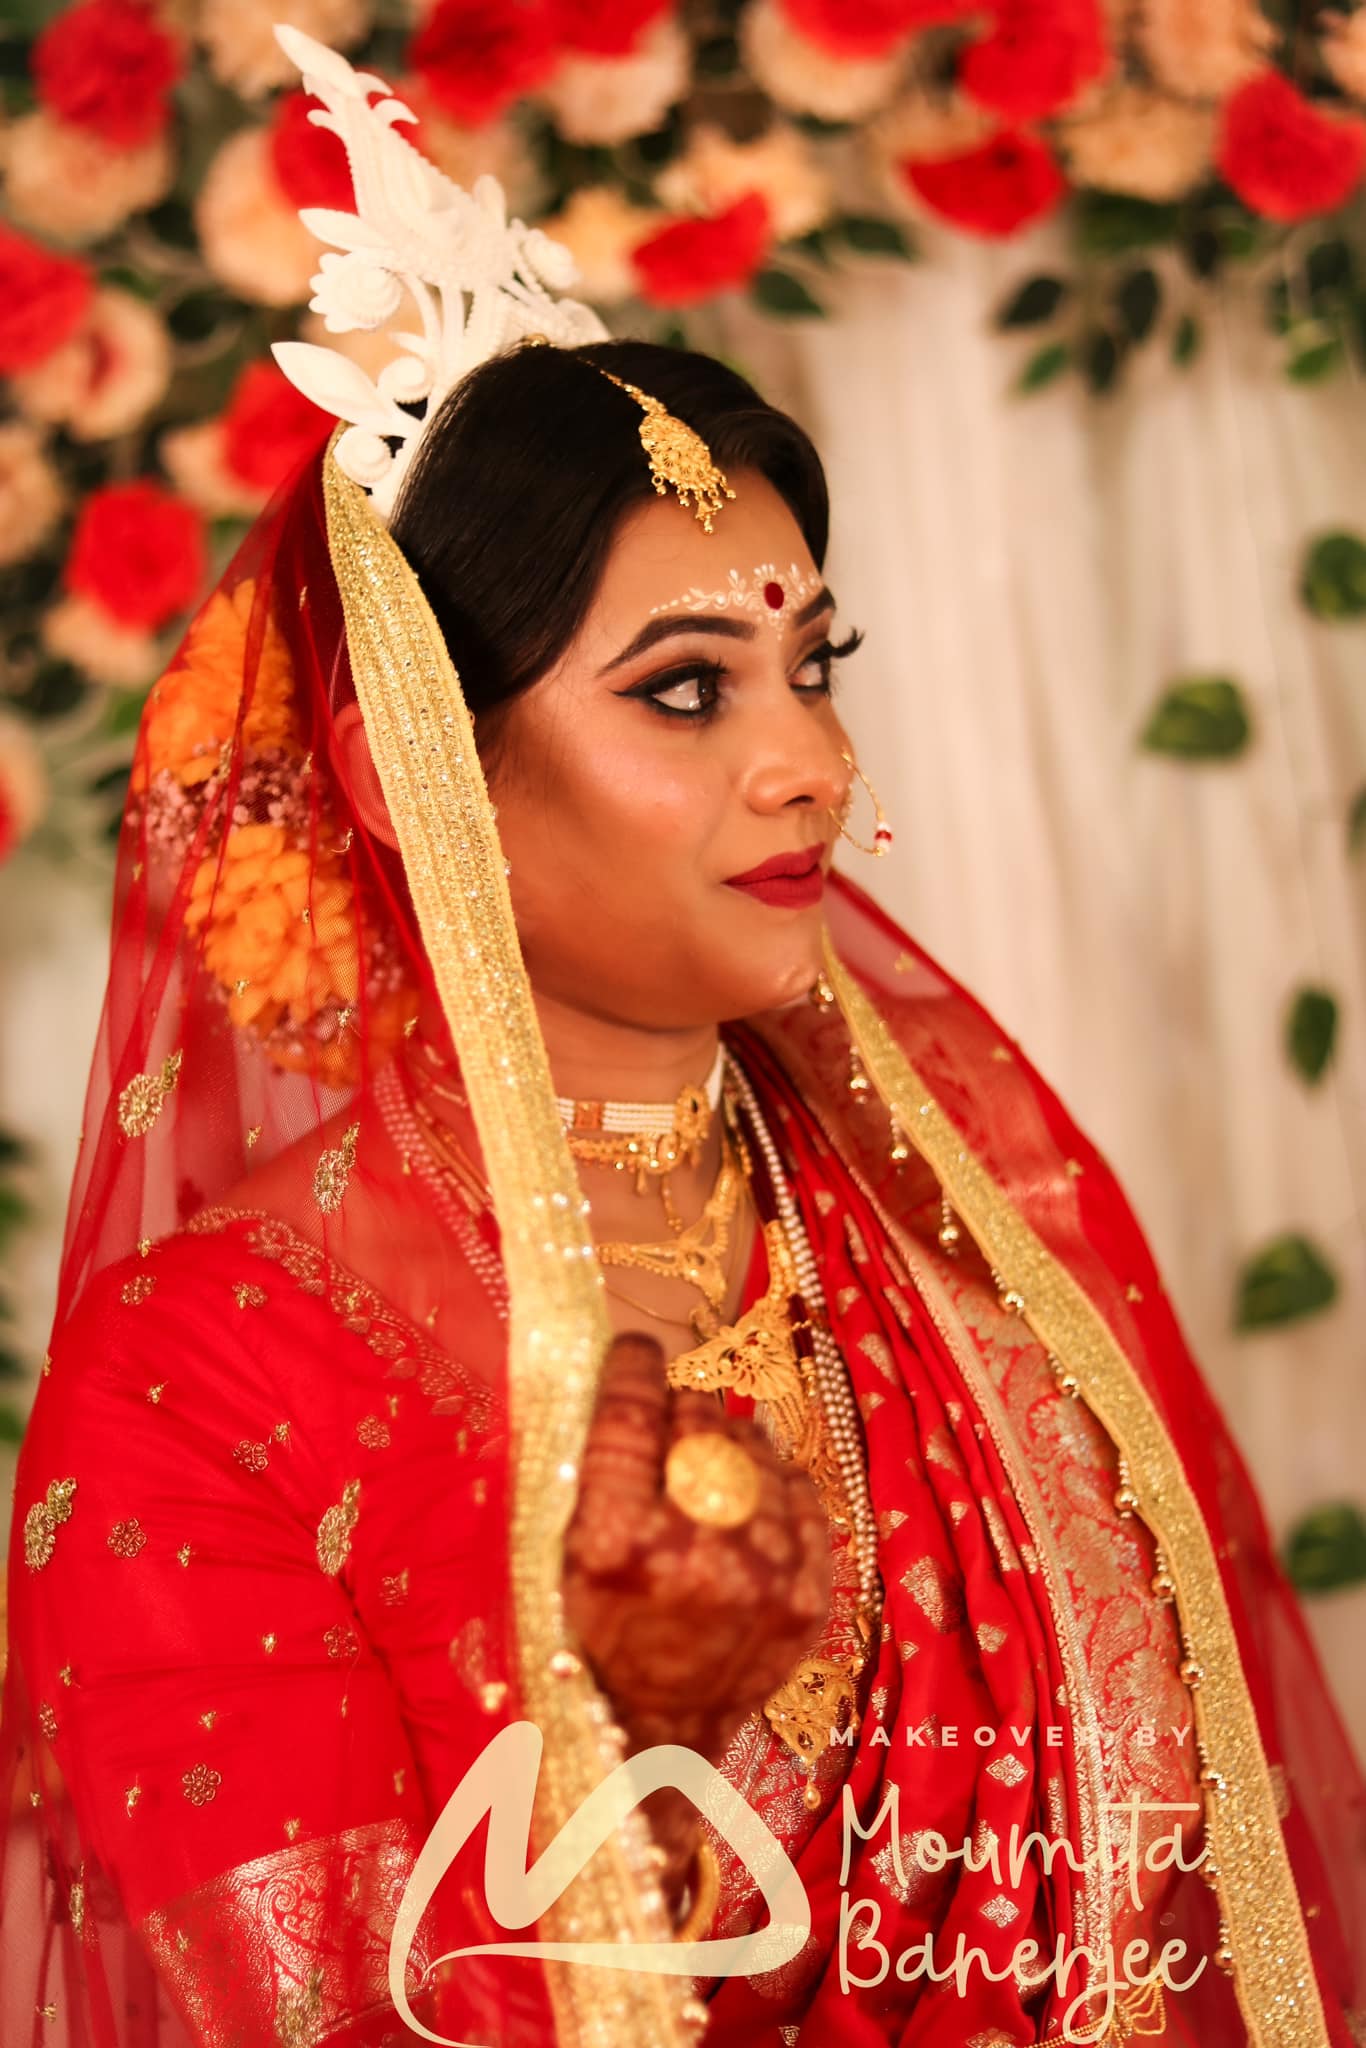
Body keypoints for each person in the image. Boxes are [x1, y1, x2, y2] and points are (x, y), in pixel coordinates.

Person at [3, 36, 1363, 2048]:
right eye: (685, 688)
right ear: (408, 778)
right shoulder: (203, 1386)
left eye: (813, 666)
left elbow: (1191, 1908)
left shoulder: (964, 1205)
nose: (810, 763)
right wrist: (645, 1750)